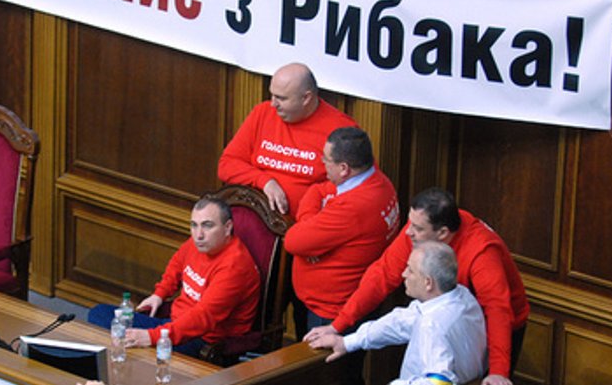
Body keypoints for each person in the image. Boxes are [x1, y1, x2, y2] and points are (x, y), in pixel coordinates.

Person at [304, 188, 529, 385]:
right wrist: (340, 327)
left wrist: (498, 372)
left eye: (417, 228)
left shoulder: (482, 254)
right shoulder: (421, 234)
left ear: (442, 233)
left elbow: (498, 311)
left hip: (497, 326)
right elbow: (382, 277)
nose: (408, 231)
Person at [87, 197, 260, 358]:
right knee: (99, 314)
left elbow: (202, 318)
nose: (198, 234)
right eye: (194, 225)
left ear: (228, 227)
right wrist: (159, 294)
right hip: (173, 323)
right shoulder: (199, 243)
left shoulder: (235, 267)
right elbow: (177, 264)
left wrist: (151, 337)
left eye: (207, 226)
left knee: (122, 340)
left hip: (202, 339)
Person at [309, 241, 487, 385]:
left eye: (410, 270)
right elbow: (399, 322)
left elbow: (440, 381)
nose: (403, 274)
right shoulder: (462, 296)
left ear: (428, 283)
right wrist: (347, 342)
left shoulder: (432, 325)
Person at [284, 127, 400, 330]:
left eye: (326, 159)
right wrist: (311, 223)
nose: (322, 162)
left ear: (344, 168)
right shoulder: (373, 178)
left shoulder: (355, 206)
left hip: (331, 314)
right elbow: (318, 190)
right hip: (340, 304)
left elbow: (293, 241)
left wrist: (308, 230)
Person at [218, 62, 357, 217]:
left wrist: (310, 209)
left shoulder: (341, 128)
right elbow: (226, 165)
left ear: (306, 98)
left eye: (281, 98)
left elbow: (358, 186)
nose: (273, 104)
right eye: (272, 95)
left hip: (304, 223)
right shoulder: (262, 113)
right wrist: (265, 181)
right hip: (250, 211)